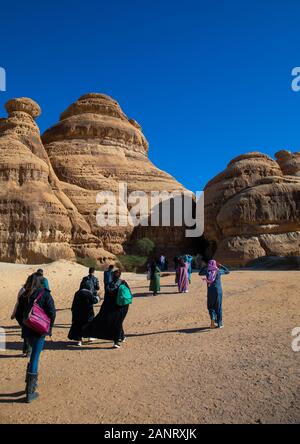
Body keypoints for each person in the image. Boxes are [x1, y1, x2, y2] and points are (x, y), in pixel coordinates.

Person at [22, 274, 56, 403]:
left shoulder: (25, 294)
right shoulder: (45, 294)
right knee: (35, 358)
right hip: (39, 331)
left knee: (32, 357)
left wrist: (25, 324)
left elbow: (20, 314)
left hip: (27, 331)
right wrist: (49, 327)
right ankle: (30, 392)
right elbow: (52, 312)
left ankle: (30, 384)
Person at [83, 269, 131, 349]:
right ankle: (116, 341)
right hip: (121, 307)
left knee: (114, 322)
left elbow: (107, 297)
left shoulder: (109, 285)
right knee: (118, 322)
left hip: (109, 307)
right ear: (120, 275)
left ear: (112, 276)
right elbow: (128, 294)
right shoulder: (123, 283)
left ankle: (121, 337)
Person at [199, 260, 230, 329]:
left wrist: (205, 266)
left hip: (210, 291)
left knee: (210, 306)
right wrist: (221, 266)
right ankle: (219, 323)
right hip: (218, 291)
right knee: (218, 307)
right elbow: (227, 271)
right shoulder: (218, 271)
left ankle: (213, 317)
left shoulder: (207, 271)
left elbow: (200, 273)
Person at [68, 281, 100, 346]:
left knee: (78, 326)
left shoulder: (77, 293)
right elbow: (94, 301)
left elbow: (74, 303)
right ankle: (90, 337)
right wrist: (98, 297)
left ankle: (79, 341)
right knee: (89, 325)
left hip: (77, 313)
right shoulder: (89, 293)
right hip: (87, 314)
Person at [11, 274, 35, 356]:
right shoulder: (32, 292)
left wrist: (15, 314)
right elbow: (18, 303)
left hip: (22, 316)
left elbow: (18, 303)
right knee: (29, 333)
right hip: (27, 317)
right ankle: (28, 351)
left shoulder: (23, 291)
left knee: (26, 332)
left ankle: (26, 350)